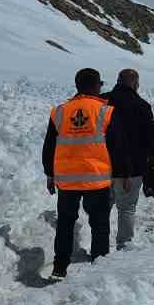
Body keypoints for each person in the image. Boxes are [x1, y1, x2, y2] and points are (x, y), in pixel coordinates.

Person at [42, 68, 114, 280]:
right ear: (94, 86)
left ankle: (60, 267)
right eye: (100, 84)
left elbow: (49, 146)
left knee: (65, 223)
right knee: (99, 224)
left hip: (67, 180)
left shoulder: (61, 111)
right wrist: (121, 174)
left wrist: (49, 174)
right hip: (97, 179)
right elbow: (117, 145)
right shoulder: (105, 111)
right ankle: (99, 264)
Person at [101, 68, 154, 248]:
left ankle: (99, 245)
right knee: (127, 207)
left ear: (118, 81)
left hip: (102, 164)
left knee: (103, 206)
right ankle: (124, 245)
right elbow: (152, 136)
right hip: (132, 167)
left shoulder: (102, 101)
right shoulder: (141, 106)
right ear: (136, 84)